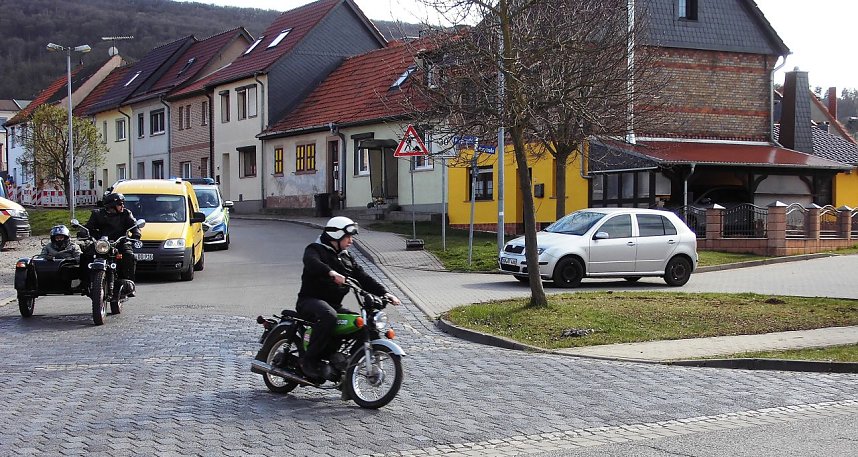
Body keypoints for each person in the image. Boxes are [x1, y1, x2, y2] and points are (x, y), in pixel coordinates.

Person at [296, 216, 400, 381]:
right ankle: (309, 361)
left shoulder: (346, 257)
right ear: (335, 236)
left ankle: (344, 364)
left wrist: (384, 293)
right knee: (329, 315)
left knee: (359, 323)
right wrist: (330, 272)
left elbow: (363, 277)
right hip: (310, 301)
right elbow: (312, 262)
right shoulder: (315, 249)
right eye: (348, 237)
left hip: (333, 305)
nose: (351, 241)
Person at [80, 192, 141, 291]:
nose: (122, 206)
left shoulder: (126, 213)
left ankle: (129, 284)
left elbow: (134, 225)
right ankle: (85, 282)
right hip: (101, 243)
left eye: (122, 204)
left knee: (129, 255)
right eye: (120, 204)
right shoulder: (97, 214)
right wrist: (83, 232)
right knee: (85, 255)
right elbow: (88, 227)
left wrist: (136, 234)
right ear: (112, 205)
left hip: (120, 242)